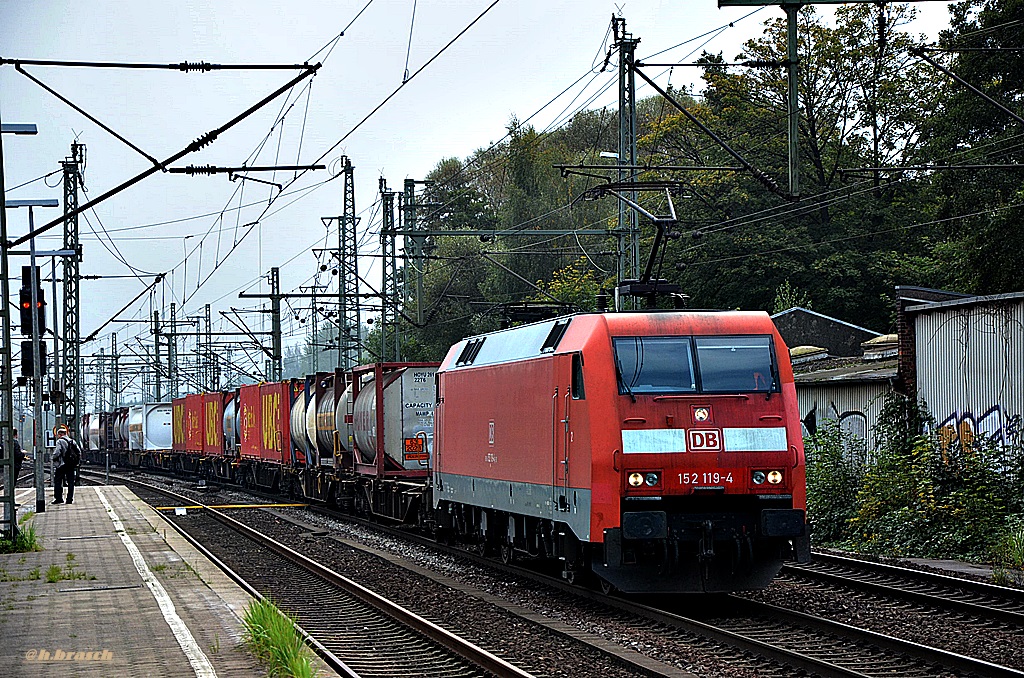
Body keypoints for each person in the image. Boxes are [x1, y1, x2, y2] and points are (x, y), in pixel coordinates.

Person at [52, 427, 77, 505]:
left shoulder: (60, 441)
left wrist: (53, 458)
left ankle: (59, 498)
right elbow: (78, 451)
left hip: (62, 464)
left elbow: (57, 452)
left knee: (58, 481)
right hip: (71, 465)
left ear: (60, 434)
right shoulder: (72, 441)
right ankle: (69, 499)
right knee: (70, 482)